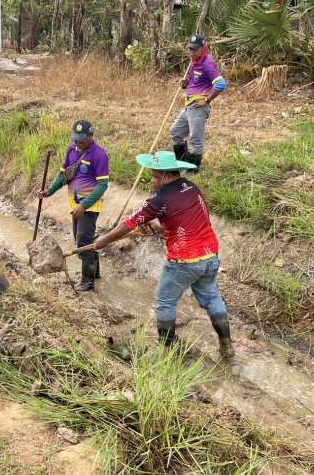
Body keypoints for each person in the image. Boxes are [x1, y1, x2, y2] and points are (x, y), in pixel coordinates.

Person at [93, 150, 235, 358]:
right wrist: (164, 227)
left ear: (169, 176)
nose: (152, 181)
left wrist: (103, 240)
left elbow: (128, 224)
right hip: (209, 255)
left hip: (184, 260)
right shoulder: (192, 188)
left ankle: (167, 350)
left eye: (156, 177)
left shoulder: (160, 199)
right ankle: (227, 346)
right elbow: (191, 217)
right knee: (212, 297)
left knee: (164, 301)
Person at [38, 120, 109, 291]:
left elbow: (102, 185)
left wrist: (84, 205)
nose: (78, 143)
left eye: (82, 140)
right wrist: (49, 191)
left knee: (83, 240)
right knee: (82, 238)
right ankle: (95, 273)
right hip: (74, 204)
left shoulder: (99, 155)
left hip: (89, 205)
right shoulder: (71, 150)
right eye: (75, 139)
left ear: (91, 136)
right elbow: (64, 175)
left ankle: (87, 281)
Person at [170, 34, 226, 173]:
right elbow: (196, 82)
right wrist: (185, 84)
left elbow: (220, 84)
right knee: (175, 132)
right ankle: (182, 161)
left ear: (203, 48)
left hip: (198, 107)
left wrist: (207, 100)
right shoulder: (193, 62)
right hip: (189, 105)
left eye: (195, 49)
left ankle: (193, 170)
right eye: (190, 49)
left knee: (196, 139)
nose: (191, 52)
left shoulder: (207, 63)